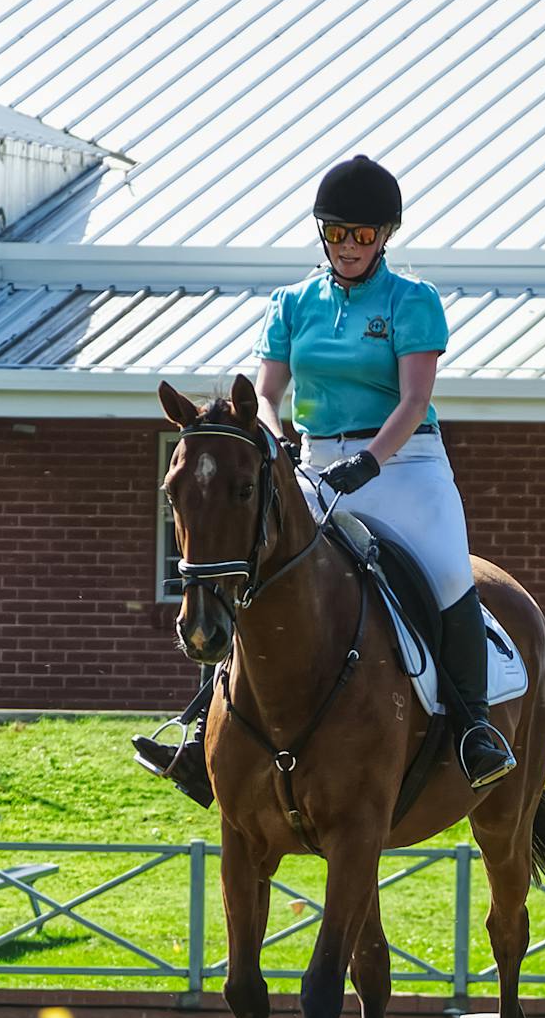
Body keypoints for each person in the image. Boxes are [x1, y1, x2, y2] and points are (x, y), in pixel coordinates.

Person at [134, 154, 517, 804]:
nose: (348, 246)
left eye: (362, 235)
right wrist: (275, 437)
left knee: (449, 572)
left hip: (404, 463)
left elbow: (414, 399)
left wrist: (371, 459)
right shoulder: (292, 303)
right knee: (252, 564)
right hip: (313, 462)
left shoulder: (411, 300)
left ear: (384, 236)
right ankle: (202, 731)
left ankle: (475, 728)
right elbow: (267, 391)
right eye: (337, 233)